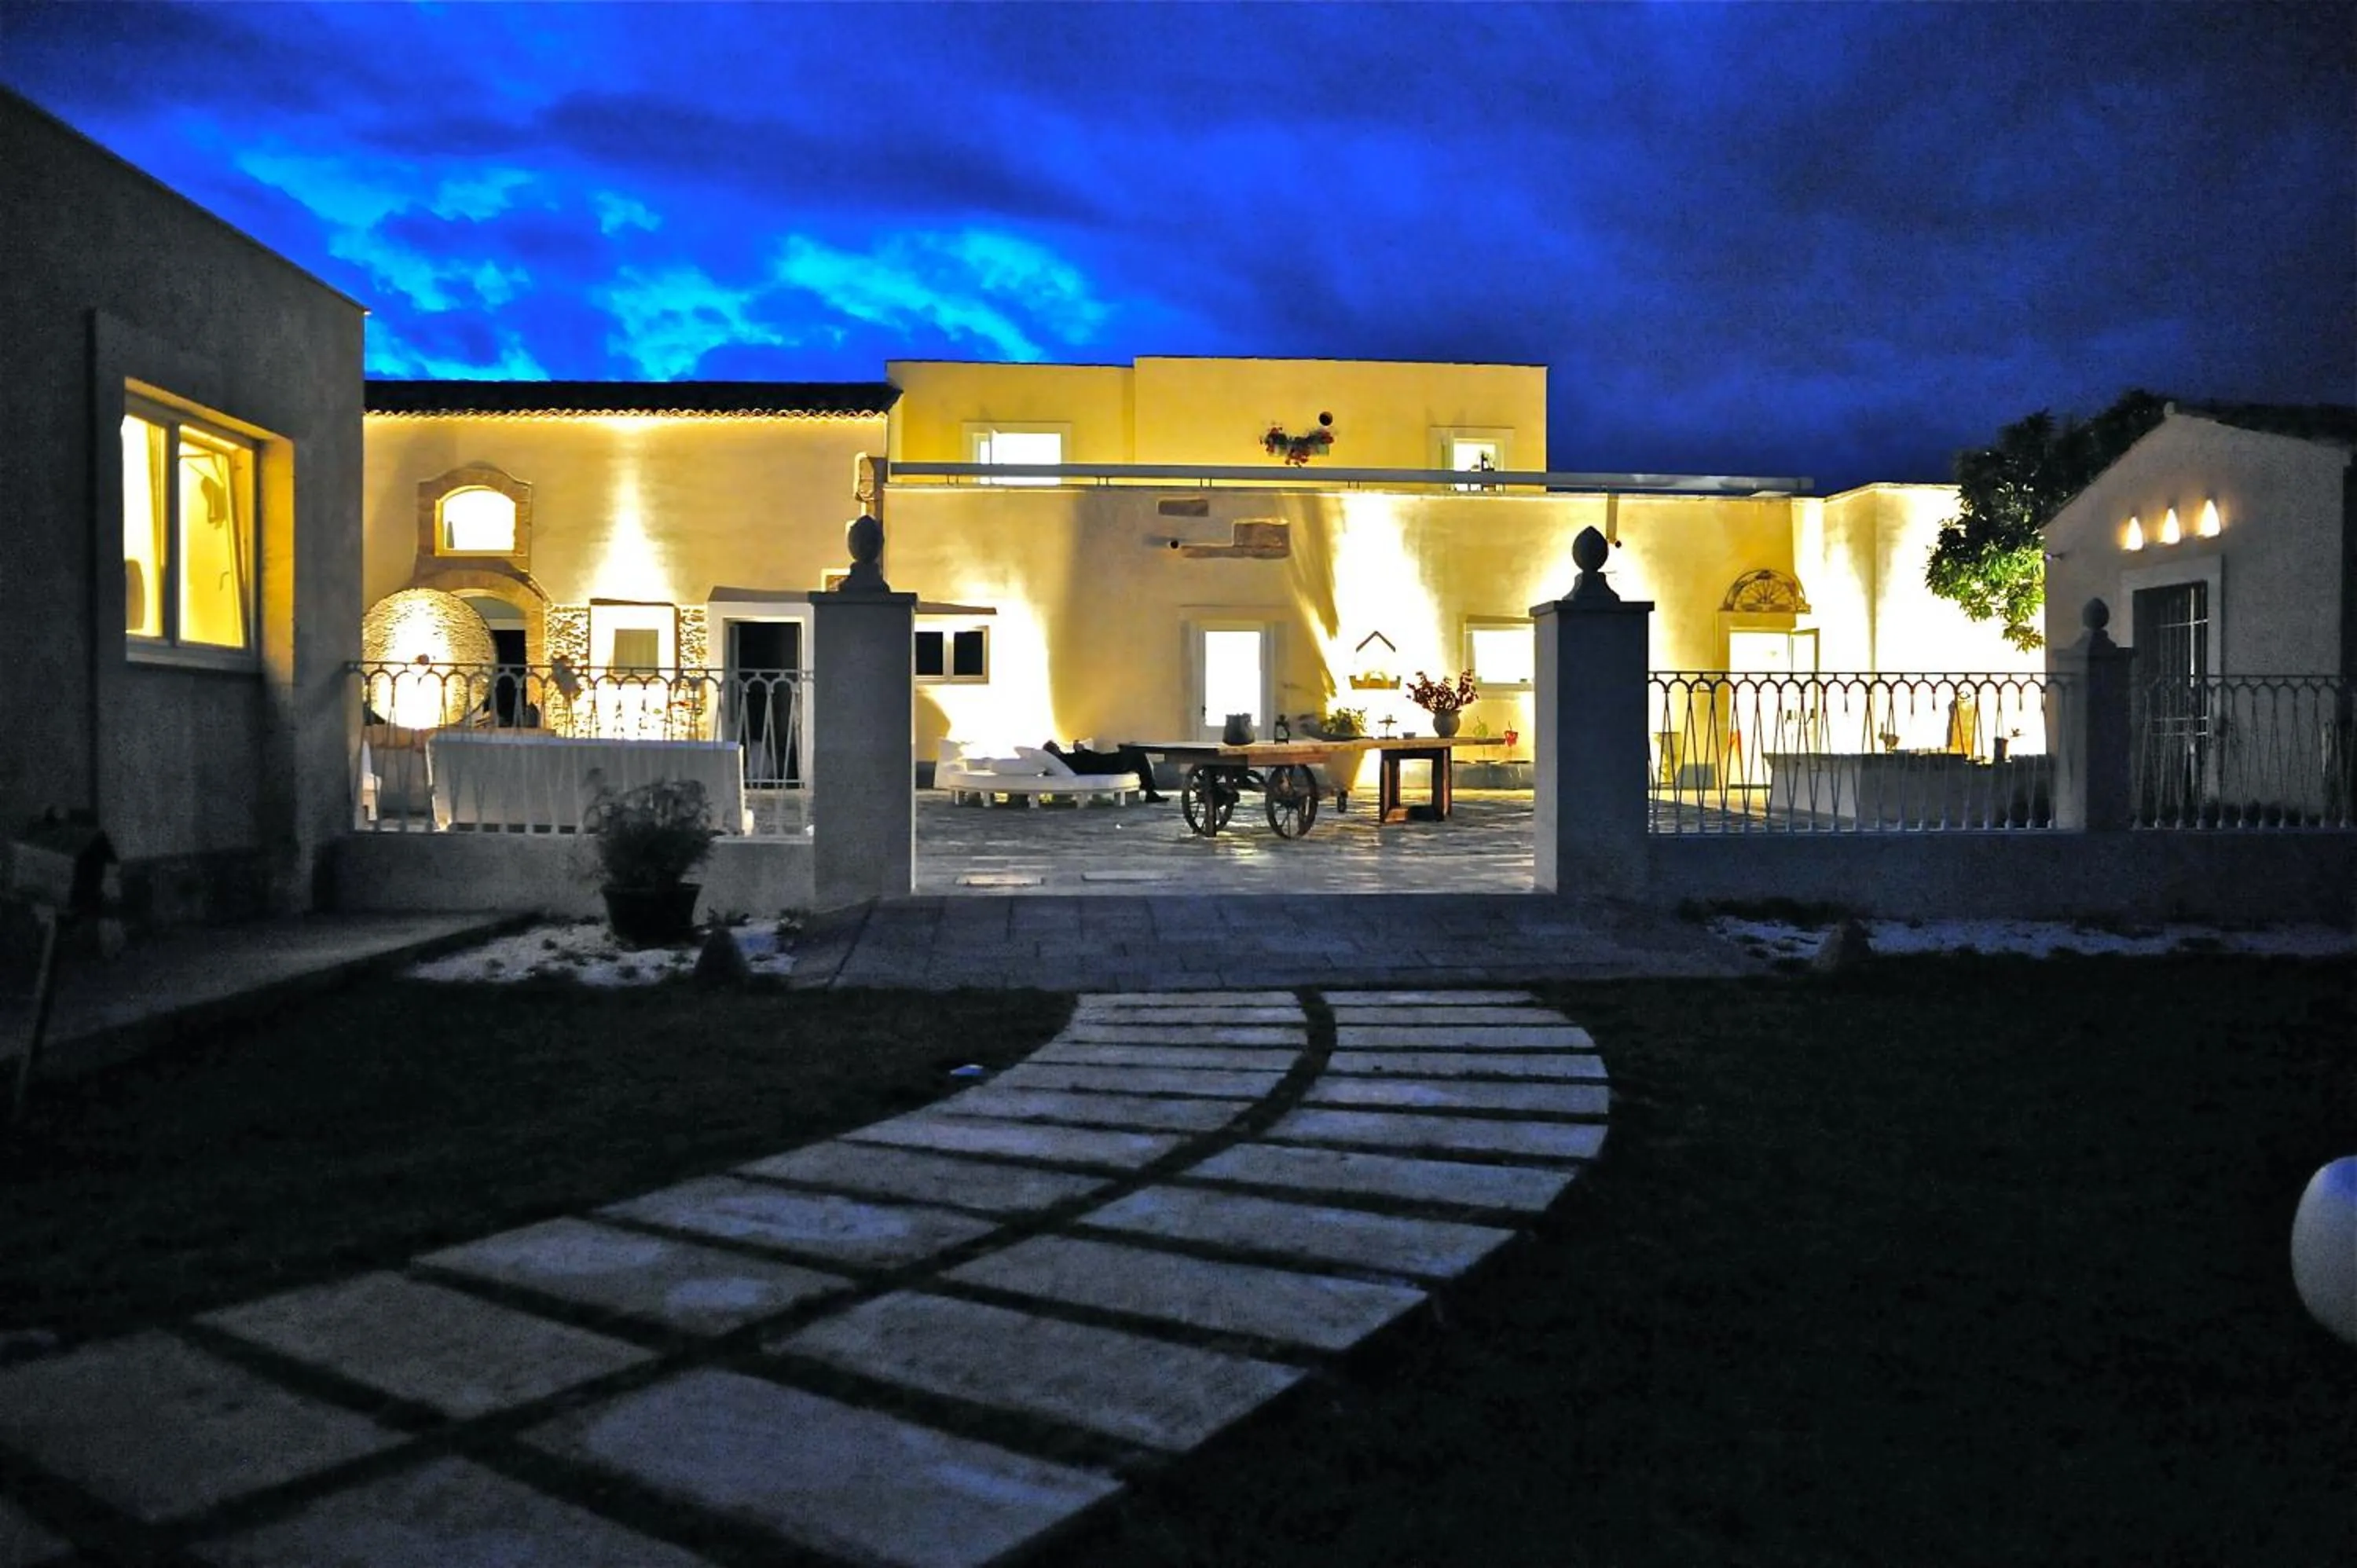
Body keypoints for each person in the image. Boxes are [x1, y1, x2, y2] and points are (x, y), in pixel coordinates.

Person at [1046, 739, 1167, 803]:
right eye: (1055, 747)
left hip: (1105, 761)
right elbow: (1084, 764)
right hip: (1106, 765)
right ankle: (1150, 793)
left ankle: (1150, 792)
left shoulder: (1065, 758)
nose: (1058, 748)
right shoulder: (1063, 761)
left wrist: (1080, 751)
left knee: (1135, 754)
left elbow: (1084, 760)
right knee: (1137, 755)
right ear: (1052, 752)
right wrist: (1081, 752)